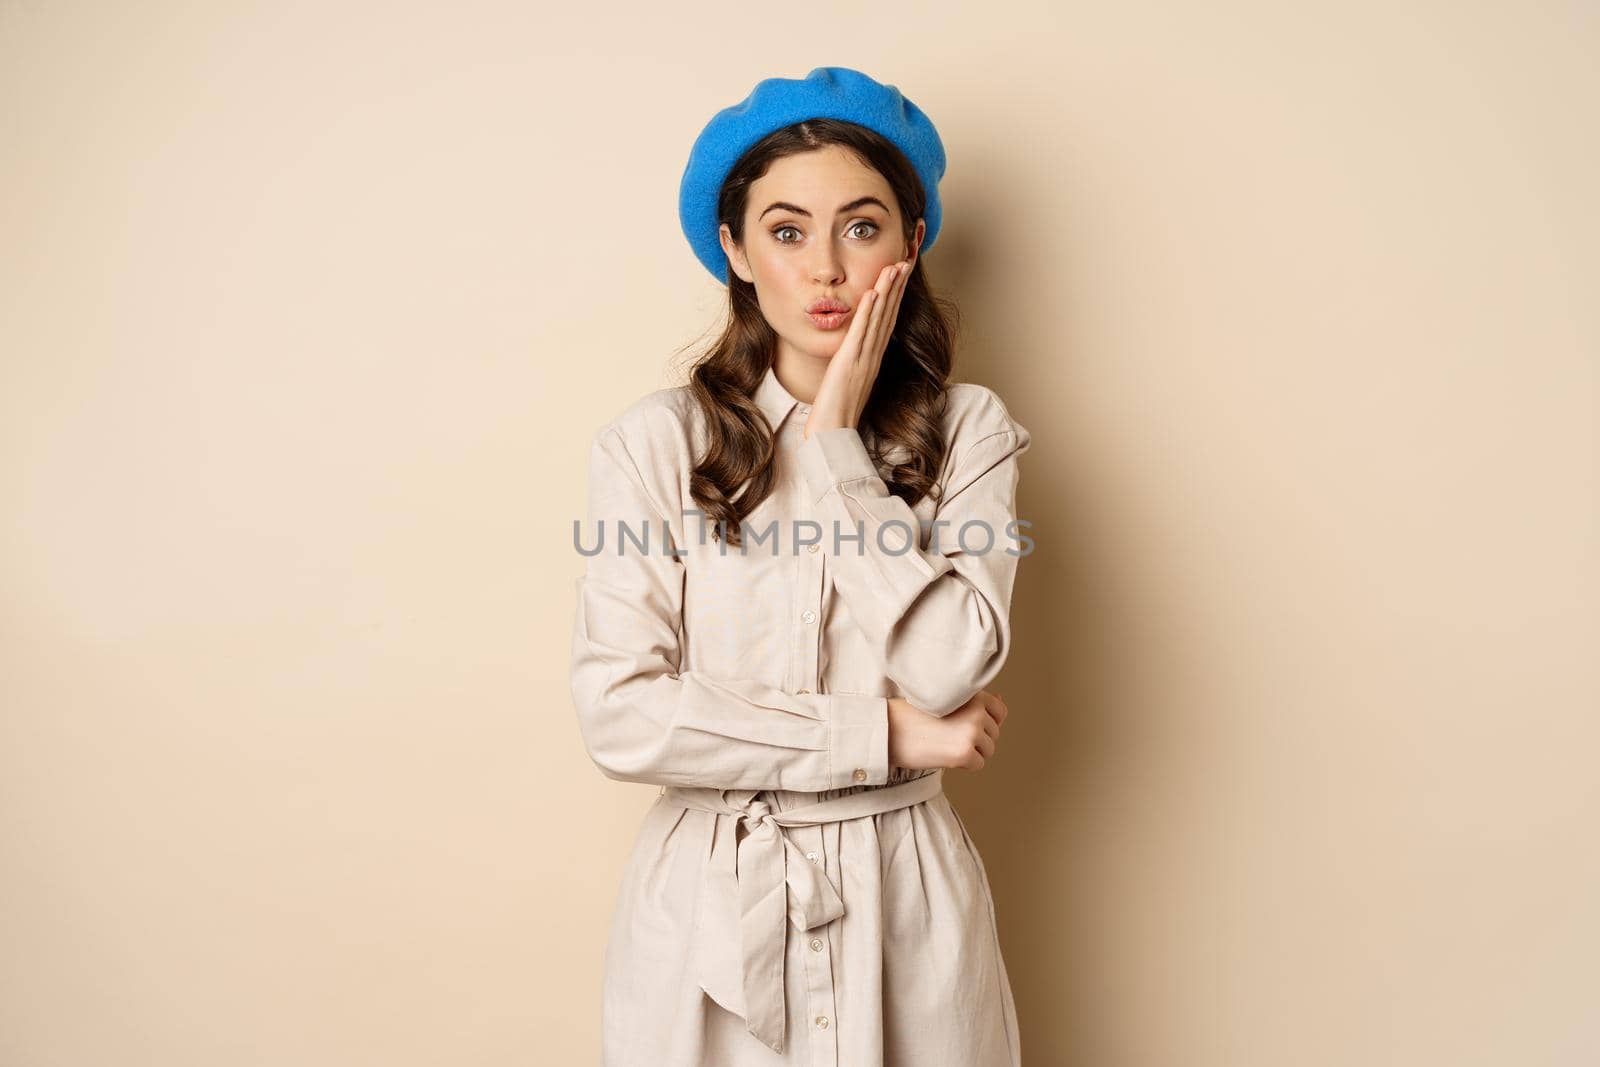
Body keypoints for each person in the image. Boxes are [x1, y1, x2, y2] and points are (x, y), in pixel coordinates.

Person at [570, 66, 1031, 1066]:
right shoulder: (654, 446)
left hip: (905, 894)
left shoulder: (970, 432)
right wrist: (884, 729)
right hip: (707, 907)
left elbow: (952, 663)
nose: (825, 268)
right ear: (734, 249)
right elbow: (621, 709)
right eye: (786, 231)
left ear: (910, 243)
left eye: (860, 227)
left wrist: (833, 449)